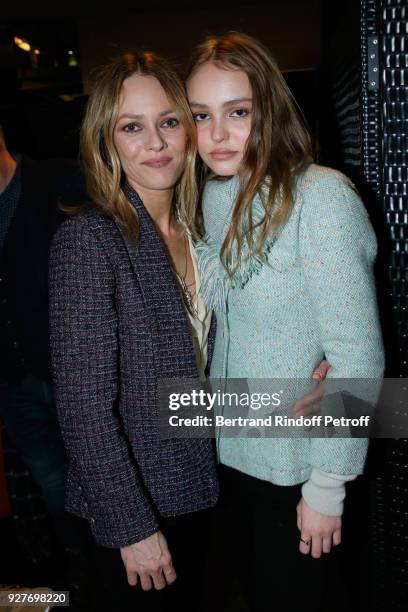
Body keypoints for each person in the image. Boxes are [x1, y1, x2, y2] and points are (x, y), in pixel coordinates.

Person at [186, 32, 385, 611]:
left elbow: (358, 354)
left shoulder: (321, 196)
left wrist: (329, 484)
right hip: (228, 453)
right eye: (201, 115)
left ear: (268, 108)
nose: (218, 134)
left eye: (238, 112)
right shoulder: (211, 197)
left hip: (300, 464)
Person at [48, 51, 218, 612]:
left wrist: (339, 392)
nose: (156, 142)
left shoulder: (206, 230)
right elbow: (83, 410)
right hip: (140, 506)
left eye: (169, 121)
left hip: (206, 488)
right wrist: (131, 528)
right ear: (107, 142)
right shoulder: (90, 241)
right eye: (132, 126)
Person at [0, 122, 86, 564]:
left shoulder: (63, 180)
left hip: (77, 376)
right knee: (53, 484)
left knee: (100, 473)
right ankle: (82, 568)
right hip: (12, 386)